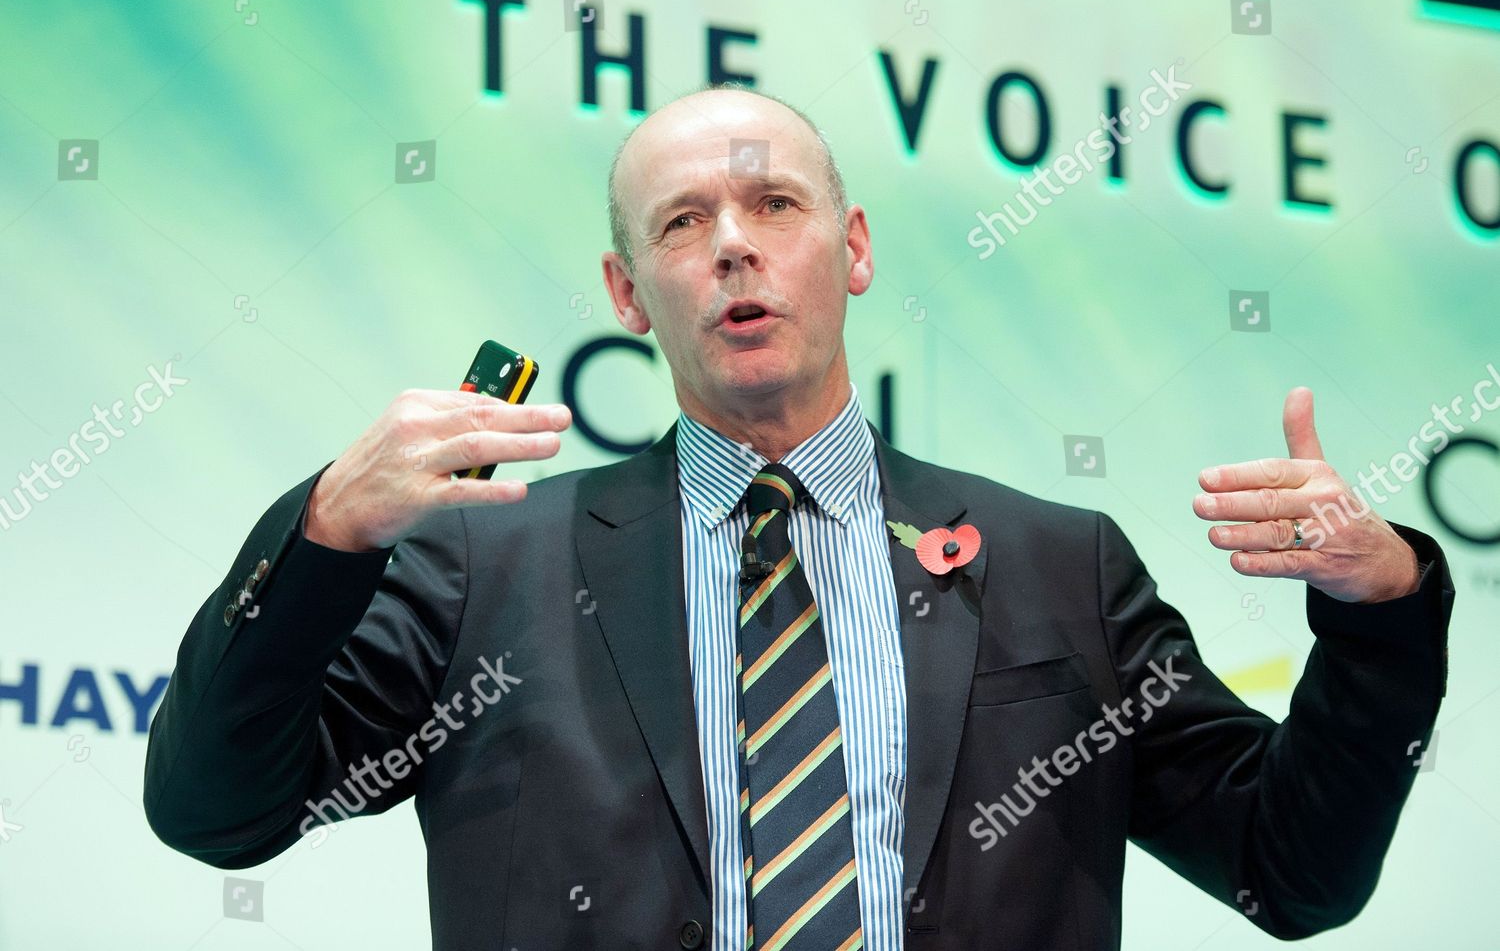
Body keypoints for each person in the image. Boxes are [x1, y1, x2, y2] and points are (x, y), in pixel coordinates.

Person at [144, 84, 1453, 951]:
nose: (733, 245)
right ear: (629, 289)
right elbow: (217, 812)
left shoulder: (1058, 565)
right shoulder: (484, 568)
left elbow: (1293, 875)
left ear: (858, 250)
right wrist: (318, 537)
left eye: (775, 205)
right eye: (682, 220)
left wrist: (1381, 609)